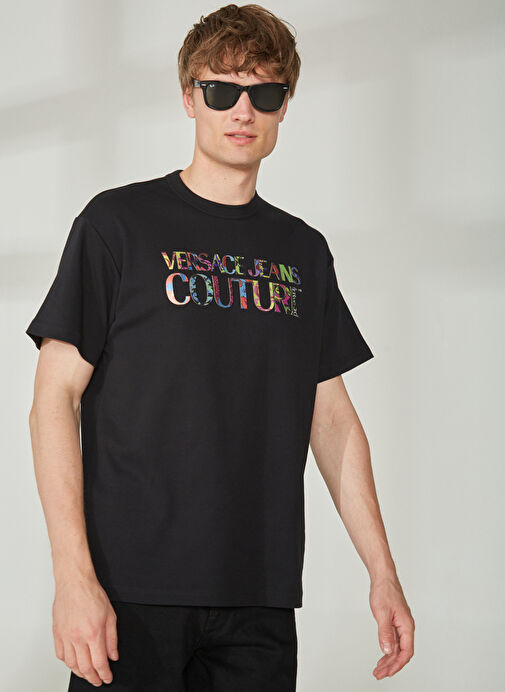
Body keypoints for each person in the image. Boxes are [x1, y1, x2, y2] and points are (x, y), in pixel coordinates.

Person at [26, 4, 414, 690]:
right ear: (189, 98)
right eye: (221, 90)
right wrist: (72, 576)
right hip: (128, 590)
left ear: (284, 106)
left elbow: (331, 419)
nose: (242, 110)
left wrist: (382, 572)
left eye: (263, 93)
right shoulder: (117, 224)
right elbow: (53, 399)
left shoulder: (303, 251)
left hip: (258, 596)